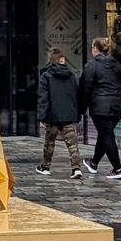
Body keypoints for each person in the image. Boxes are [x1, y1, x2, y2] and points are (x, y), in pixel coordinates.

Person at [79, 36, 121, 180]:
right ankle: (93, 163)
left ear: (95, 49)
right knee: (105, 134)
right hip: (117, 105)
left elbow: (84, 88)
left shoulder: (91, 65)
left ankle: (118, 169)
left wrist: (81, 109)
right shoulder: (117, 64)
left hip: (100, 106)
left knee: (107, 136)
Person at [36, 45, 83, 179]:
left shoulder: (46, 76)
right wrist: (77, 113)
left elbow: (43, 98)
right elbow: (76, 96)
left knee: (49, 142)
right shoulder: (71, 75)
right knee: (72, 143)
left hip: (53, 115)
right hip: (69, 115)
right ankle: (76, 168)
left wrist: (42, 117)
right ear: (62, 59)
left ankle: (45, 166)